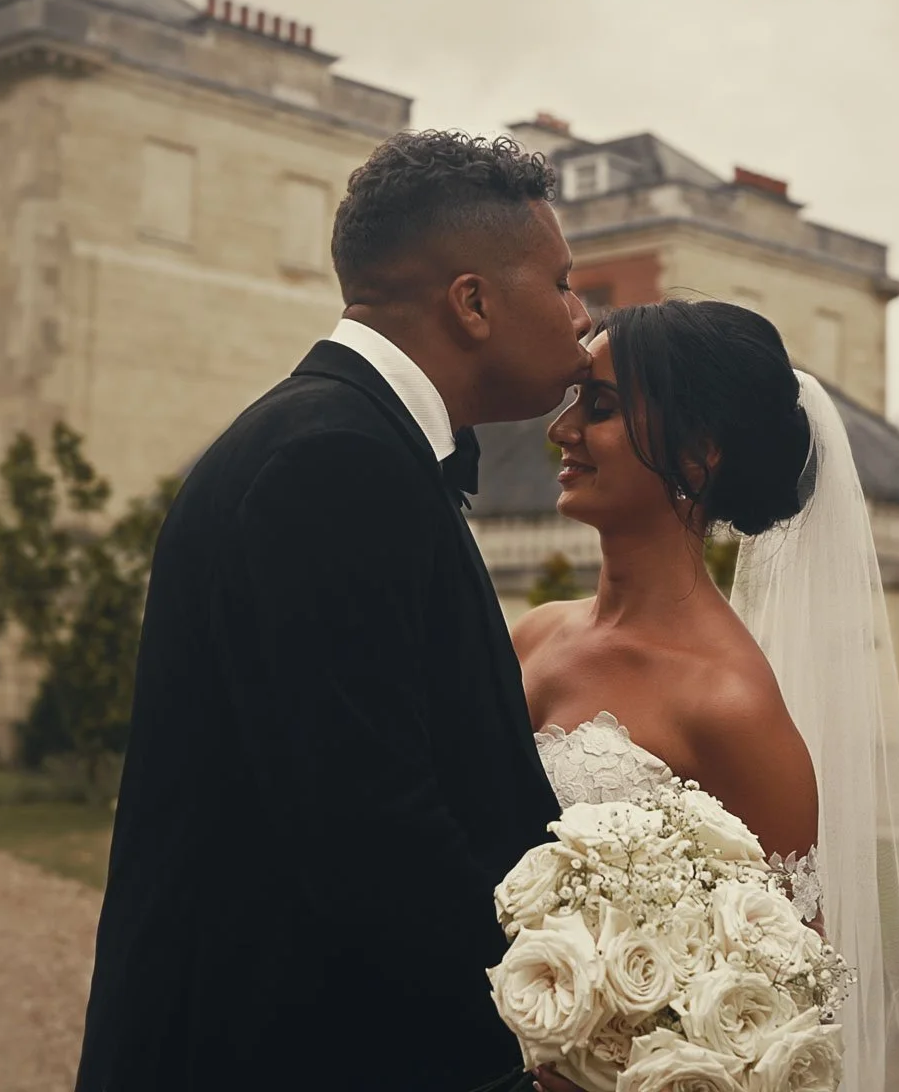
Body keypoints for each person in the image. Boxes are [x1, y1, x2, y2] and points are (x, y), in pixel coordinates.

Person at [73, 131, 594, 1092]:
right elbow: (372, 833)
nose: (581, 313)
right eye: (562, 282)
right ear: (472, 303)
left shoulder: (341, 439)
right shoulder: (332, 464)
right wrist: (548, 1025)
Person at [517, 300, 899, 1092]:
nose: (562, 428)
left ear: (696, 456)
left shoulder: (731, 704)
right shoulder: (533, 634)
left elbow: (781, 998)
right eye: (576, 399)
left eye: (601, 407)